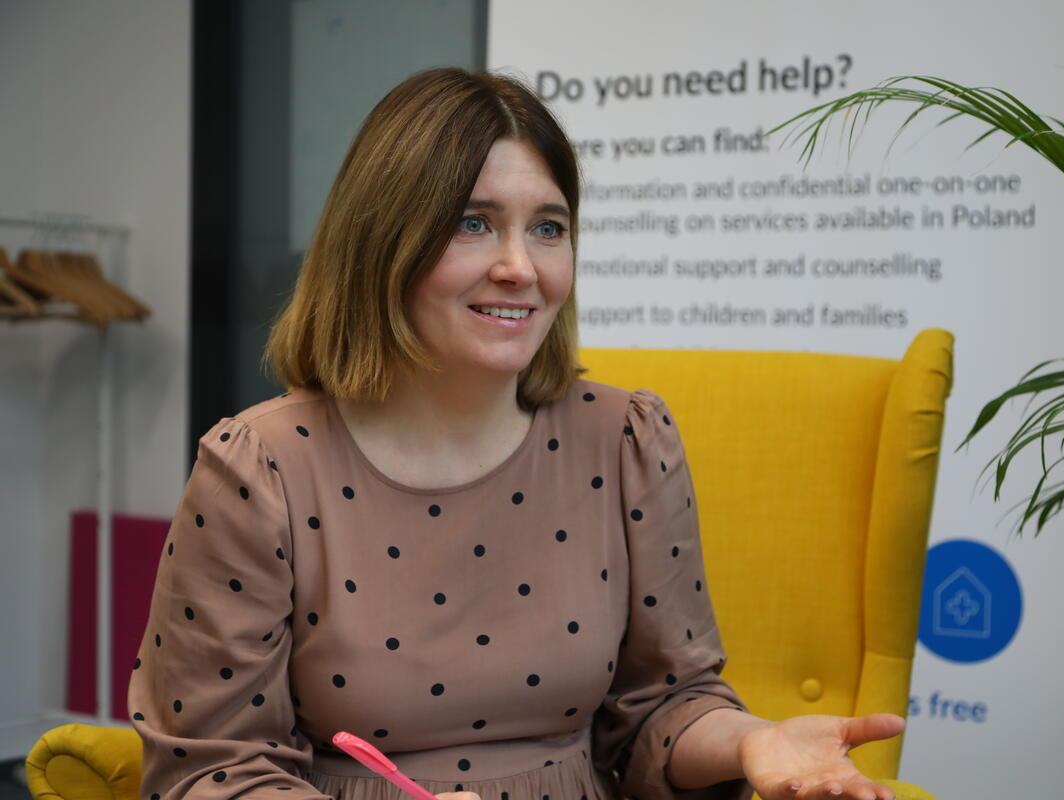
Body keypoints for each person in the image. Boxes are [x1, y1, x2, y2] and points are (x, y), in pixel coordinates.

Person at [127, 68, 904, 800]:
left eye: (548, 228)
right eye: (474, 224)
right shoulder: (259, 471)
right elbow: (212, 772)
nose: (519, 267)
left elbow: (665, 708)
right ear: (381, 242)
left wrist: (750, 743)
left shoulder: (628, 440)